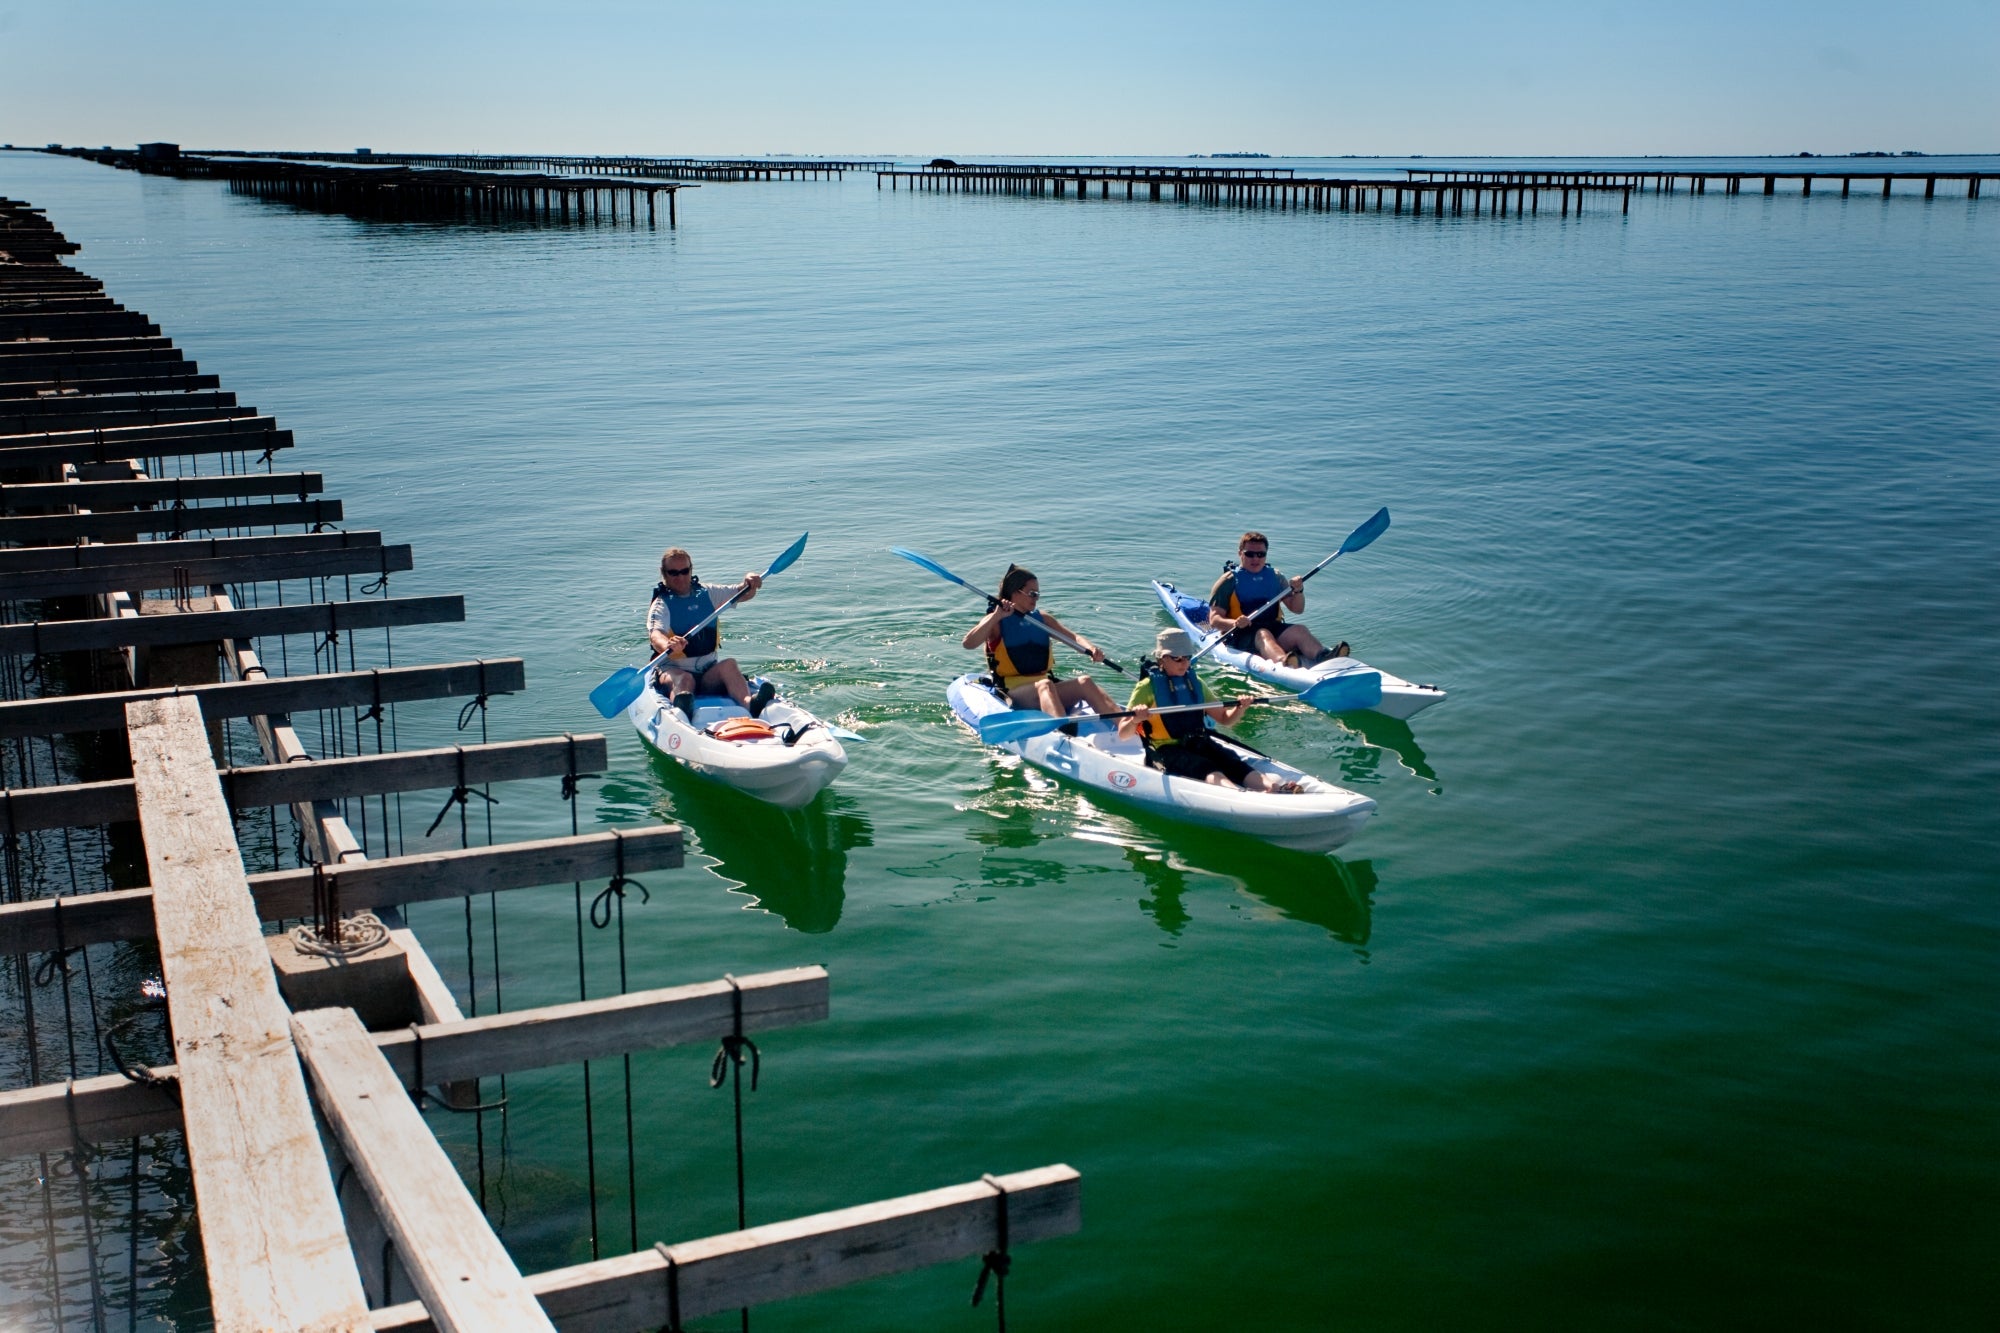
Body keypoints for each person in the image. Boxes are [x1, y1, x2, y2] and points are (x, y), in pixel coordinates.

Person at [1116, 629, 1299, 792]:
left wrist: (1240, 708)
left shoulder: (1195, 684)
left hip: (1199, 742)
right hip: (1167, 750)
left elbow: (1225, 720)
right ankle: (1240, 794)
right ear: (1163, 658)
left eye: (1187, 657)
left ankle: (1274, 789)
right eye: (1177, 658)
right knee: (1205, 767)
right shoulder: (1146, 687)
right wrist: (1135, 719)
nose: (1184, 663)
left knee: (1231, 761)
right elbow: (1124, 734)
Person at [963, 564, 1122, 721]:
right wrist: (996, 616)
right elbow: (968, 643)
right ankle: (1063, 734)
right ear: (1014, 592)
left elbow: (1074, 638)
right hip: (1013, 691)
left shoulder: (1043, 619)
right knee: (1045, 686)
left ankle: (1127, 726)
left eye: (1038, 593)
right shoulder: (996, 621)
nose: (1036, 598)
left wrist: (1092, 649)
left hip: (1047, 686)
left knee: (1085, 682)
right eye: (1032, 593)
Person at [648, 546, 775, 719]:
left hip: (707, 675)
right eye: (673, 573)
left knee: (729, 664)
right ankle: (682, 711)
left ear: (691, 570)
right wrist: (667, 644)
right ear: (664, 574)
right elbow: (656, 635)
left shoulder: (708, 593)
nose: (680, 577)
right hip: (673, 671)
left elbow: (742, 593)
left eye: (684, 571)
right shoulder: (661, 605)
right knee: (685, 680)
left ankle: (750, 704)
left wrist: (749, 582)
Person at [1205, 530, 1348, 667]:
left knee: (1300, 629)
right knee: (1263, 634)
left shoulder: (1276, 577)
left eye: (1261, 554)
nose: (1256, 558)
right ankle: (1283, 662)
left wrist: (1298, 590)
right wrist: (1235, 623)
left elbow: (1297, 609)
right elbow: (1214, 620)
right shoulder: (1227, 581)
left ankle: (1324, 656)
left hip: (1273, 627)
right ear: (1240, 554)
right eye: (1250, 554)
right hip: (1239, 634)